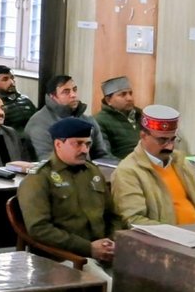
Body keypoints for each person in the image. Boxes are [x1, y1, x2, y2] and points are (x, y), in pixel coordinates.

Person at [17, 118, 125, 279]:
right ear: (58, 144)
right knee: (110, 289)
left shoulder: (92, 172)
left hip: (104, 252)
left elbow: (112, 215)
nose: (85, 150)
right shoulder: (40, 178)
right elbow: (39, 229)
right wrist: (88, 248)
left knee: (148, 278)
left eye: (88, 144)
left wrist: (109, 242)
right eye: (78, 144)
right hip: (64, 257)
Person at [111, 105, 195, 225]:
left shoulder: (181, 162)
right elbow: (134, 220)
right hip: (167, 235)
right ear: (143, 136)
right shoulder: (128, 171)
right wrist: (174, 233)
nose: (170, 147)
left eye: (172, 139)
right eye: (162, 140)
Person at [24, 75, 113, 163]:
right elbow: (48, 162)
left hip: (87, 169)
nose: (73, 95)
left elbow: (102, 156)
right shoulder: (39, 123)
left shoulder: (88, 120)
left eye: (74, 90)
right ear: (52, 96)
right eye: (66, 92)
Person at [95, 76, 142, 159]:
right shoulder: (99, 121)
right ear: (108, 100)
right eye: (123, 94)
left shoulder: (141, 116)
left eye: (130, 93)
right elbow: (105, 156)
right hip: (122, 165)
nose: (129, 98)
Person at [0, 65, 37, 132]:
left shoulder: (25, 99)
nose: (11, 82)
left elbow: (37, 120)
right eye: (5, 79)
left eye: (12, 78)